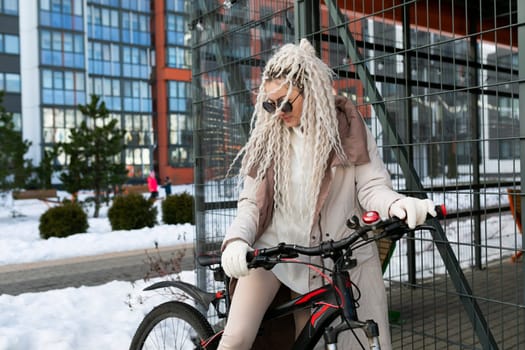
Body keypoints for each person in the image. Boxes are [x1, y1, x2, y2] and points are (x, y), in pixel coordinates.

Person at [219, 38, 436, 350]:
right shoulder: (268, 136)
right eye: (270, 103)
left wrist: (399, 204)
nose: (277, 112)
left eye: (285, 102)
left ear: (313, 92)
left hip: (329, 259)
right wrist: (238, 241)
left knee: (319, 343)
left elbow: (372, 187)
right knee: (237, 338)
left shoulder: (347, 127)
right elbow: (252, 203)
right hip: (273, 256)